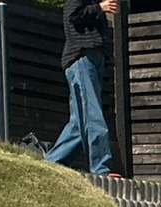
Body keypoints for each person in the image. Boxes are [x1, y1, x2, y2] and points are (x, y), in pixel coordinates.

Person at [45, 0, 119, 176]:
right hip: (82, 58)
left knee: (79, 123)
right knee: (93, 114)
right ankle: (101, 168)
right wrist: (100, 8)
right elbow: (73, 16)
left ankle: (52, 162)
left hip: (93, 59)